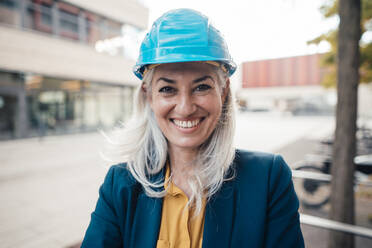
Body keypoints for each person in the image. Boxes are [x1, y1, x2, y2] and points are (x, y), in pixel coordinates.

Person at [81, 8, 304, 248]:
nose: (186, 108)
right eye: (167, 89)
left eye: (201, 87)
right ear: (149, 96)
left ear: (223, 91)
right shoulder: (121, 185)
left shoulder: (268, 179)